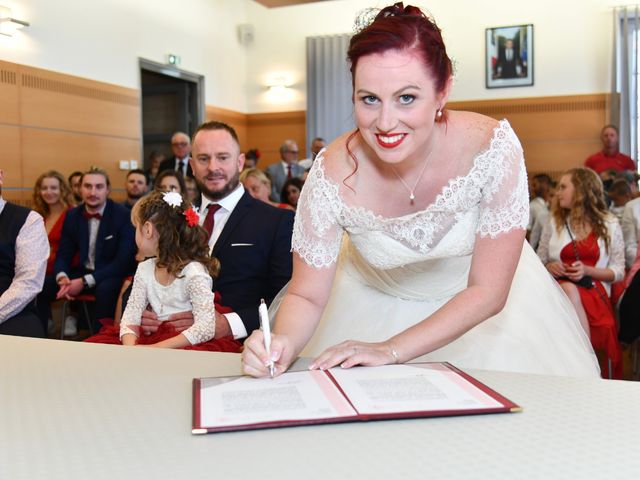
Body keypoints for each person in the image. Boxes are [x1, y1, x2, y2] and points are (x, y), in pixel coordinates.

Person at [242, 3, 599, 379]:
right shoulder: (332, 173)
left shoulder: (490, 148)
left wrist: (390, 349)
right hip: (367, 307)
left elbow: (489, 292)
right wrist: (284, 341)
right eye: (369, 99)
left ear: (443, 91)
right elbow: (307, 294)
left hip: (486, 318)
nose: (385, 122)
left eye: (407, 98)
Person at [138, 121, 295, 341]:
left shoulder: (277, 221)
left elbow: (288, 298)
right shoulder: (171, 218)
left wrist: (228, 324)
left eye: (223, 157)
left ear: (240, 162)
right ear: (192, 165)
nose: (213, 167)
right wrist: (144, 313)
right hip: (164, 340)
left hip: (237, 348)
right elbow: (143, 276)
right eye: (204, 159)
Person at [85, 190, 241, 352]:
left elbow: (206, 327)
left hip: (183, 343)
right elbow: (131, 315)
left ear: (147, 229)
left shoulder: (194, 272)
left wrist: (156, 348)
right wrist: (131, 348)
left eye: (136, 228)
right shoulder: (145, 268)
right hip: (148, 340)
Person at [537, 167, 624, 378]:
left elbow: (618, 271)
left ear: (582, 191)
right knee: (568, 288)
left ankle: (584, 363)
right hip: (556, 291)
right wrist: (550, 267)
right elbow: (539, 259)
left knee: (570, 289)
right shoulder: (553, 222)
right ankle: (586, 362)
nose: (558, 193)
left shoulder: (609, 224)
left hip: (593, 291)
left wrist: (587, 270)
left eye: (563, 187)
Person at [36, 167, 137, 333]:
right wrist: (62, 277)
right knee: (40, 286)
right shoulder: (72, 215)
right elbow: (64, 253)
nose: (93, 192)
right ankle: (37, 338)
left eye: (99, 187)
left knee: (105, 290)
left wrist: (83, 282)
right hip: (81, 273)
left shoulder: (123, 215)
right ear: (79, 189)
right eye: (88, 186)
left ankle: (99, 343)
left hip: (109, 274)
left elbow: (122, 262)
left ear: (108, 190)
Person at [0, 169, 48, 338]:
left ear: (0, 177)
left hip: (10, 308)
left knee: (26, 349)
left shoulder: (28, 219)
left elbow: (28, 283)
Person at [32, 170, 76, 276]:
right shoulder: (37, 215)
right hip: (36, 270)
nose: (48, 192)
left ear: (63, 190)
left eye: (53, 188)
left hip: (62, 272)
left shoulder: (73, 214)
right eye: (44, 188)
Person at [527, 173, 553, 251]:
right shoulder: (532, 206)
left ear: (545, 185)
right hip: (538, 245)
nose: (532, 188)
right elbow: (528, 230)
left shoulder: (550, 204)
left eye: (535, 185)